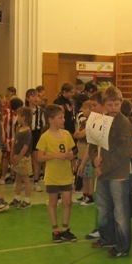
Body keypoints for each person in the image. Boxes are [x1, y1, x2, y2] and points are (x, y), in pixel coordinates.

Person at [91, 86, 132, 258]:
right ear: (104, 105)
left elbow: (123, 153)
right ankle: (107, 238)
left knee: (120, 213)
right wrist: (94, 160)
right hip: (102, 173)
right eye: (109, 105)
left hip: (118, 174)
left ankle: (122, 246)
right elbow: (93, 144)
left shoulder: (124, 124)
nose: (113, 108)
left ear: (121, 103)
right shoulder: (98, 121)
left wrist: (102, 168)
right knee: (103, 209)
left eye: (116, 104)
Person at [36, 104, 77, 243]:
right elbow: (40, 157)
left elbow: (71, 151)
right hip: (52, 175)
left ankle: (65, 229)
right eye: (60, 118)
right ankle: (55, 230)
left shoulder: (66, 134)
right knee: (53, 202)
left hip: (66, 174)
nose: (63, 120)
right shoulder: (45, 137)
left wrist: (70, 155)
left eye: (63, 117)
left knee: (67, 202)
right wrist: (55, 155)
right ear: (50, 120)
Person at [10, 107, 33, 209]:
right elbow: (14, 143)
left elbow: (25, 147)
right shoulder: (19, 129)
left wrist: (18, 158)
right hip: (17, 157)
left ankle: (27, 200)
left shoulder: (27, 131)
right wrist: (12, 155)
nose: (17, 118)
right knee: (18, 178)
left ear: (23, 117)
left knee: (25, 179)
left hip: (23, 158)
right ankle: (17, 197)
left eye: (18, 116)